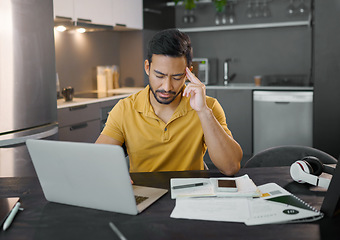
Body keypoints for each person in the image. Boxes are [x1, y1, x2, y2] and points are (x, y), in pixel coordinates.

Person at [96, 29, 242, 176]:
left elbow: (230, 167)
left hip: (192, 193)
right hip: (146, 193)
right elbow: (98, 162)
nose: (167, 87)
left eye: (177, 77)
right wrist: (116, 177)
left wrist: (203, 112)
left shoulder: (207, 106)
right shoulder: (124, 109)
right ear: (147, 67)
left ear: (188, 74)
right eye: (160, 76)